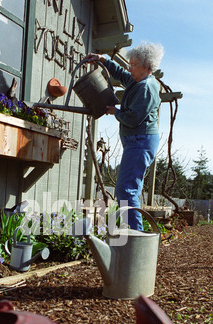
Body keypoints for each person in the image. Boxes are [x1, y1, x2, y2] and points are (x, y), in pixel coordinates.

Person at [85, 42, 164, 231]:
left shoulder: (145, 88)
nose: (130, 67)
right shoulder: (137, 80)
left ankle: (136, 237)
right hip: (136, 142)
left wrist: (116, 112)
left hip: (141, 142)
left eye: (133, 64)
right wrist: (103, 59)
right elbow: (122, 74)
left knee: (127, 190)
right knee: (127, 189)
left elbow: (134, 118)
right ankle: (133, 234)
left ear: (147, 66)